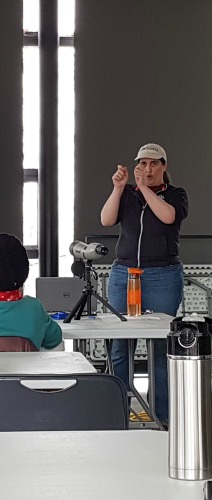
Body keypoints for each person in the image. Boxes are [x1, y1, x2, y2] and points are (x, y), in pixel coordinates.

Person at [100, 143, 188, 425]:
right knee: (120, 346)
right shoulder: (127, 194)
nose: (147, 169)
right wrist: (118, 187)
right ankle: (118, 412)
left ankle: (161, 416)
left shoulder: (176, 195)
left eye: (153, 164)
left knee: (161, 348)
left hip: (163, 274)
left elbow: (168, 217)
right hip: (124, 274)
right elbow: (106, 220)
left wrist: (146, 190)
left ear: (164, 166)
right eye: (142, 164)